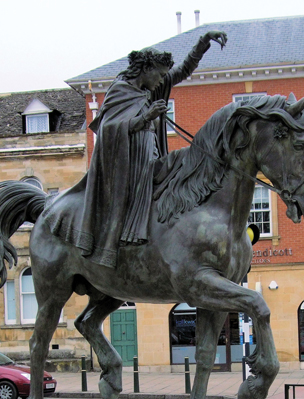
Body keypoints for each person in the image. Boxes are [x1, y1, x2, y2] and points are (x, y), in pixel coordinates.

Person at [73, 31, 228, 268]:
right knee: (182, 161)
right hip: (131, 165)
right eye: (160, 74)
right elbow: (108, 130)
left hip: (152, 157)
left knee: (186, 161)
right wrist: (147, 116)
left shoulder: (149, 90)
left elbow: (184, 70)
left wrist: (203, 43)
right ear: (147, 69)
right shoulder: (121, 90)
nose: (162, 80)